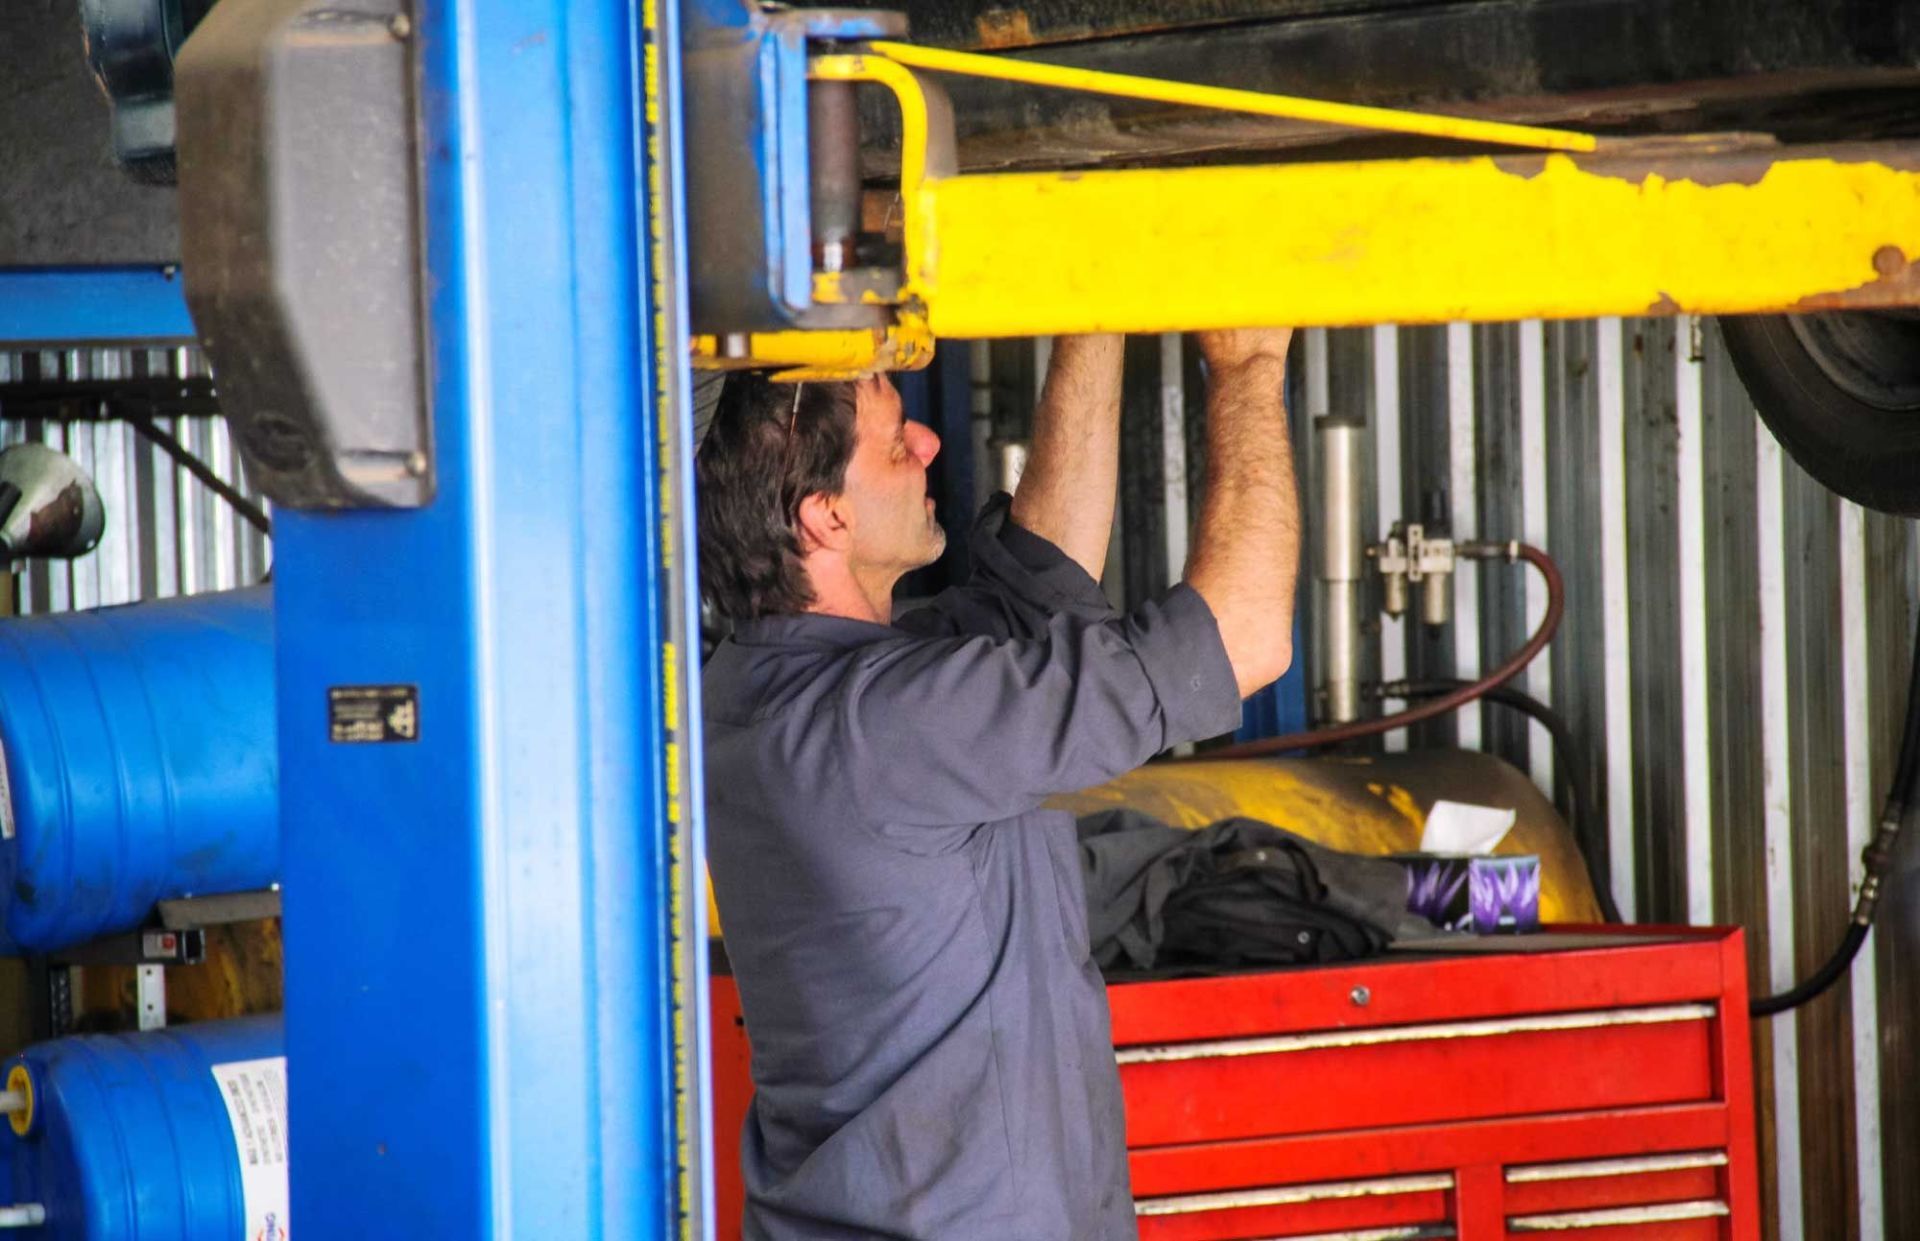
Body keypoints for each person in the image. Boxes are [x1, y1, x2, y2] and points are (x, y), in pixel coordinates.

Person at [697, 330, 1299, 1239]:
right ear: (824, 516)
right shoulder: (884, 726)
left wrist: (1093, 307)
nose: (930, 445)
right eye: (899, 443)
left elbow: (1040, 587)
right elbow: (1245, 637)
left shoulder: (755, 691)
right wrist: (1248, 367)